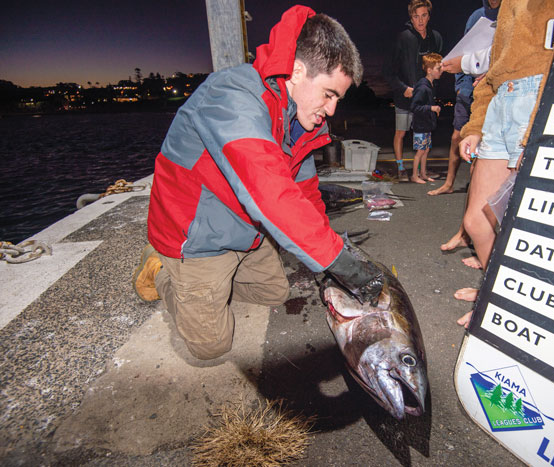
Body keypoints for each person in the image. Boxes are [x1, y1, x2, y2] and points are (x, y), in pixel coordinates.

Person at [132, 6, 385, 360]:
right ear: (298, 71)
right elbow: (270, 193)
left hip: (242, 228)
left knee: (275, 292)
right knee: (211, 346)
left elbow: (306, 193)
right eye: (329, 94)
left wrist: (327, 249)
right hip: (195, 235)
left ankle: (213, 287)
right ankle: (161, 269)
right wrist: (340, 261)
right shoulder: (231, 96)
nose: (331, 110)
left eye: (337, 100)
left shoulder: (301, 121)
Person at [453, 0, 554, 328]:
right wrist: (475, 126)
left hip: (537, 99)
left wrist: (540, 121)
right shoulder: (503, 8)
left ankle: (503, 303)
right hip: (500, 101)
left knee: (522, 228)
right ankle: (494, 288)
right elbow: (491, 74)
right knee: (477, 222)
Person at [428, 0, 501, 197]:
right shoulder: (477, 16)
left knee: (483, 145)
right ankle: (449, 183)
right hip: (469, 88)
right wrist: (461, 87)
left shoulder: (510, 14)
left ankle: (477, 192)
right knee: (456, 137)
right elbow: (464, 52)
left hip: (494, 88)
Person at [383, 0, 443, 181]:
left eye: (424, 15)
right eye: (416, 16)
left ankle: (421, 171)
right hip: (405, 98)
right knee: (401, 133)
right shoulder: (403, 38)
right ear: (411, 17)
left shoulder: (436, 38)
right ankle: (401, 169)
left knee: (425, 134)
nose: (420, 20)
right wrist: (403, 89)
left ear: (429, 16)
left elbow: (439, 67)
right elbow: (387, 71)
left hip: (424, 99)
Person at [409, 53, 443, 184]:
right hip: (421, 125)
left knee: (425, 149)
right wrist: (431, 108)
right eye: (438, 69)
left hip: (426, 125)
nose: (440, 71)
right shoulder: (423, 87)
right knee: (420, 151)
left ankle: (423, 173)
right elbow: (414, 107)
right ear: (429, 70)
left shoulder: (429, 85)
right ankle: (414, 175)